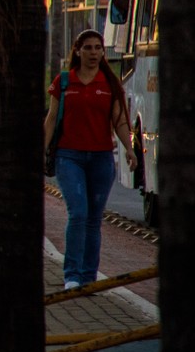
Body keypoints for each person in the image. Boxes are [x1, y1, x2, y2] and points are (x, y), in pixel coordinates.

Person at [44, 29, 136, 291]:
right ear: (77, 50)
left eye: (98, 48)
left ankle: (88, 276)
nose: (94, 53)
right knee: (78, 213)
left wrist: (129, 149)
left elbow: (119, 122)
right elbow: (51, 119)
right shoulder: (63, 82)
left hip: (101, 159)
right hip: (68, 156)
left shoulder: (110, 84)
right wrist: (41, 149)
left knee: (94, 219)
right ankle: (72, 275)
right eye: (88, 48)